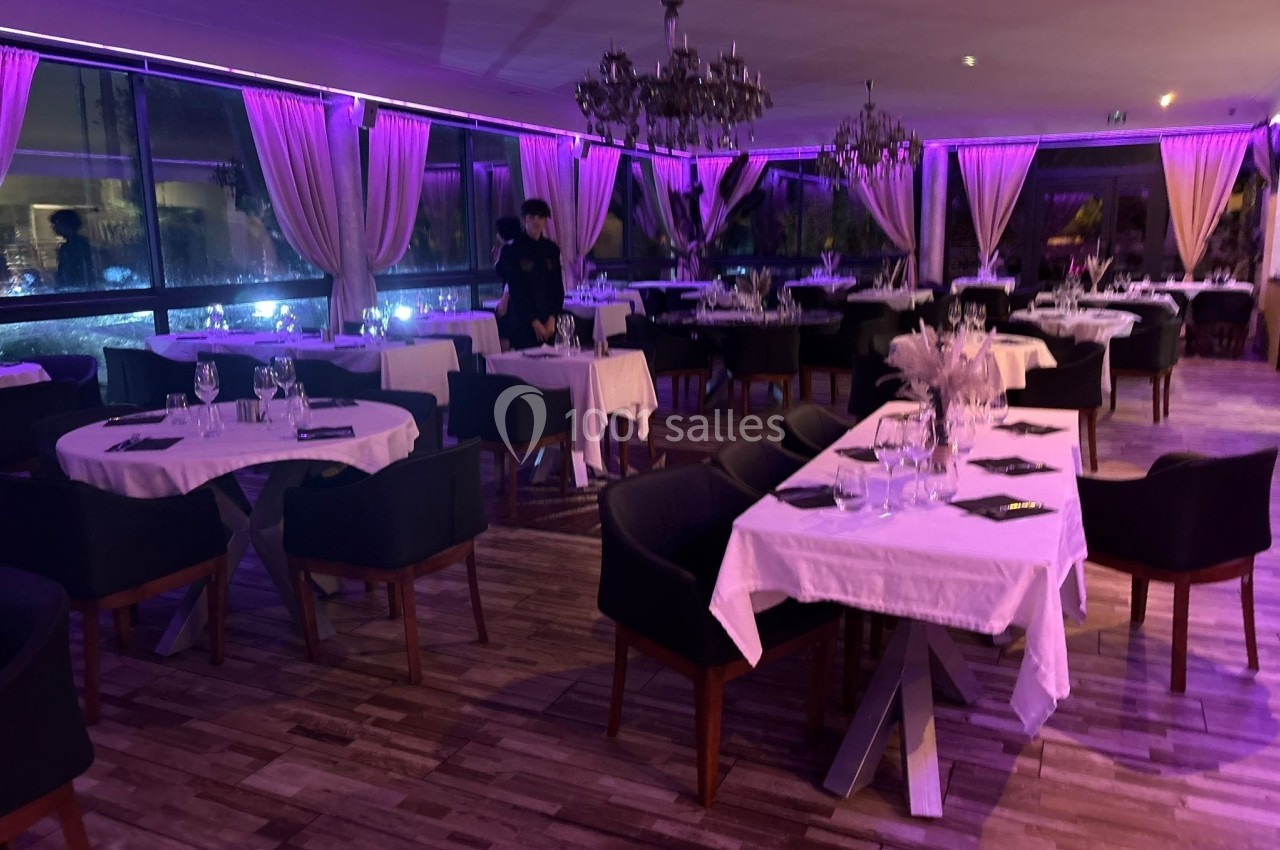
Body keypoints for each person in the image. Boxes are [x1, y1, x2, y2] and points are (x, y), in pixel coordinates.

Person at [501, 199, 563, 350]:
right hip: (523, 320)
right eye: (532, 216)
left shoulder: (552, 249)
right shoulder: (513, 250)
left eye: (541, 217)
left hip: (549, 321)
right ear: (524, 219)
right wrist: (534, 321)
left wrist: (552, 317)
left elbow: (557, 286)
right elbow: (516, 289)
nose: (536, 221)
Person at [492, 215, 521, 350]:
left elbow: (511, 276)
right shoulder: (519, 246)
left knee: (505, 329)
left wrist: (505, 298)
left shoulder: (509, 249)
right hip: (520, 296)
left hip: (513, 297)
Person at [49, 209, 95, 289]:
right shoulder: (70, 245)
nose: (53, 227)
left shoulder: (77, 245)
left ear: (66, 224)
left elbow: (71, 270)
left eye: (56, 224)